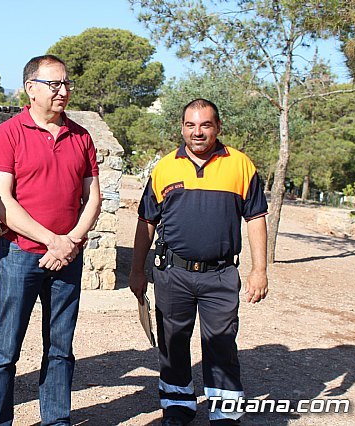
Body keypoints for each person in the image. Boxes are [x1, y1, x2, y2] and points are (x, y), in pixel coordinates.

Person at [129, 99, 269, 426]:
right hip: (172, 274)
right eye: (190, 125)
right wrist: (136, 270)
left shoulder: (241, 165)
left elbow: (256, 218)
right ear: (181, 128)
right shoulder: (165, 167)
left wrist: (259, 270)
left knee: (221, 345)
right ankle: (178, 408)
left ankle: (225, 413)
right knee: (172, 344)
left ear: (218, 127)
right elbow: (146, 221)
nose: (198, 132)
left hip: (220, 275)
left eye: (205, 125)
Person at [0, 54, 101, 426]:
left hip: (68, 259)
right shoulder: (8, 133)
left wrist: (71, 243)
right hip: (21, 255)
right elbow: (2, 202)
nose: (63, 91)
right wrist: (54, 241)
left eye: (66, 84)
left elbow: (93, 198)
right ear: (30, 89)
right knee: (5, 350)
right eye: (54, 84)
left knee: (61, 350)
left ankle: (56, 420)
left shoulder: (81, 136)